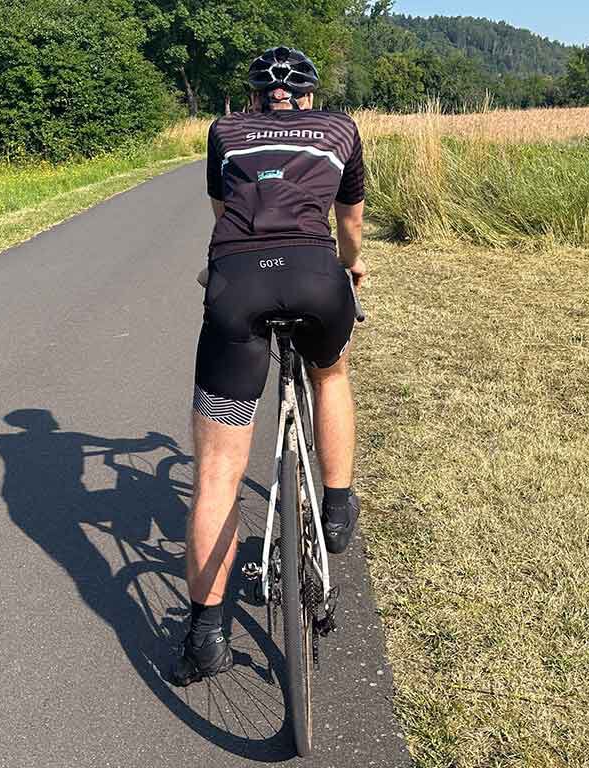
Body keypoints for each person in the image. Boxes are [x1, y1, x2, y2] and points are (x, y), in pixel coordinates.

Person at [173, 46, 367, 686]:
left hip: (238, 288)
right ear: (309, 96)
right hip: (318, 283)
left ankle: (205, 636)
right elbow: (350, 220)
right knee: (330, 373)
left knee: (220, 472)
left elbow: (223, 209)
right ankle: (335, 509)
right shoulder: (340, 128)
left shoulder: (224, 130)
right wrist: (352, 266)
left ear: (254, 97)